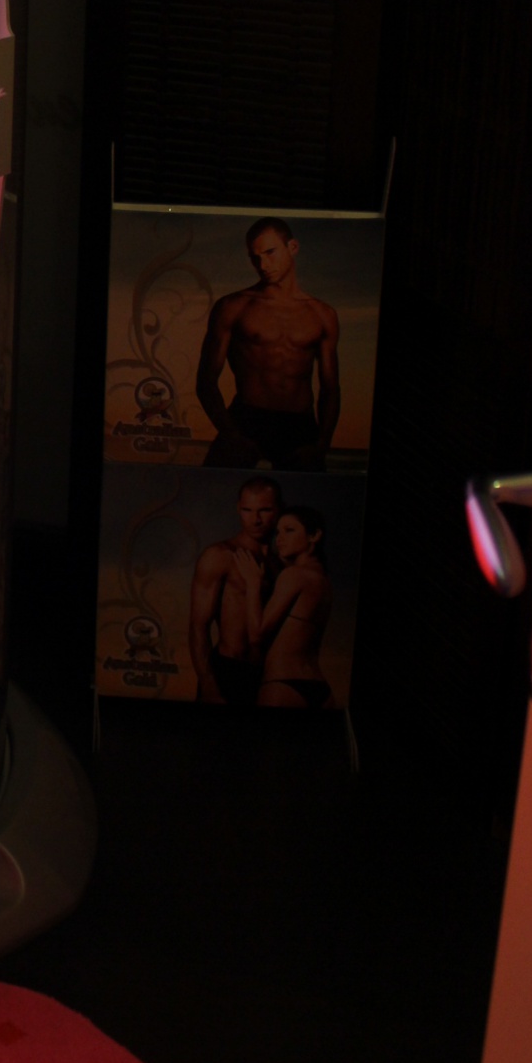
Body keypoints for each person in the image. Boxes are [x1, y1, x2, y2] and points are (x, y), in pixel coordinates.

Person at [197, 217, 341, 470]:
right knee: (210, 488)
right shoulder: (233, 307)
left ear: (292, 247)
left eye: (270, 253)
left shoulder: (323, 315)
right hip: (246, 419)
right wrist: (231, 434)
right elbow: (206, 381)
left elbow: (330, 388)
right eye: (255, 258)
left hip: (300, 426)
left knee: (307, 493)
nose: (263, 265)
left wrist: (322, 445)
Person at [188, 477, 277, 707]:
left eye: (265, 510)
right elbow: (198, 626)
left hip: (269, 676)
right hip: (228, 671)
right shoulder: (220, 556)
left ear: (278, 509)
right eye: (247, 510)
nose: (255, 520)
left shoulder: (282, 563)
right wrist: (208, 685)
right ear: (238, 508)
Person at [256, 502, 338, 708]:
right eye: (278, 532)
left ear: (314, 535)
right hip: (320, 687)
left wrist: (252, 584)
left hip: (283, 683)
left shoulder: (293, 576)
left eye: (290, 530)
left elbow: (258, 633)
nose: (279, 538)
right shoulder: (323, 581)